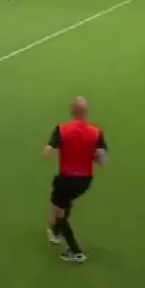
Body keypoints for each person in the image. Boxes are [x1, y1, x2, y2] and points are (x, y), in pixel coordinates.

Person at [43, 97, 107, 264]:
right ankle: (56, 231)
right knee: (62, 202)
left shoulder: (62, 129)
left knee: (59, 212)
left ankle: (75, 251)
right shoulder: (96, 132)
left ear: (72, 111)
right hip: (84, 181)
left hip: (66, 179)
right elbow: (103, 161)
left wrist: (52, 148)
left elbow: (47, 153)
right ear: (87, 112)